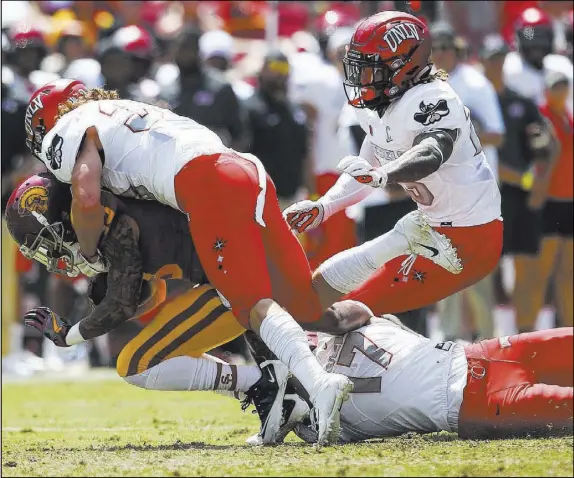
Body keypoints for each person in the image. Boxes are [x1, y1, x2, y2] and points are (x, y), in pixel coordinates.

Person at [22, 80, 355, 446]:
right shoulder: (124, 115)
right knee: (304, 303)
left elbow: (86, 195)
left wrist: (87, 253)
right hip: (247, 170)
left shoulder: (69, 130)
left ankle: (318, 384)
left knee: (248, 303)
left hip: (207, 181)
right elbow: (142, 291)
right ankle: (394, 258)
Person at [284, 11, 502, 317]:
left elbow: (431, 152)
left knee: (350, 312)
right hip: (427, 225)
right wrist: (324, 207)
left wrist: (383, 176)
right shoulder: (380, 107)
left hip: (470, 239)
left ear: (403, 66)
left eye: (370, 68)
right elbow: (364, 168)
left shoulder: (434, 98)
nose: (359, 78)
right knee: (320, 289)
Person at [287, 302, 572, 443]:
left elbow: (338, 316)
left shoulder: (341, 320)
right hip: (477, 405)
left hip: (488, 352)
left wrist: (286, 316)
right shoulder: (315, 415)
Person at [481, 34, 556, 333]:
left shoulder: (520, 102)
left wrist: (540, 183)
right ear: (483, 63)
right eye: (491, 59)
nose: (496, 65)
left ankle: (524, 333)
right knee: (487, 271)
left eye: (500, 58)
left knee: (527, 268)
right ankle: (488, 337)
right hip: (487, 196)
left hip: (521, 195)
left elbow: (546, 144)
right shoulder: (471, 101)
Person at [529, 71, 573, 328]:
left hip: (570, 201)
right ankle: (529, 332)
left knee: (568, 273)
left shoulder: (567, 116)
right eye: (555, 87)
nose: (560, 91)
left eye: (564, 86)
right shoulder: (541, 117)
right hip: (550, 202)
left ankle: (567, 331)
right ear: (546, 91)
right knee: (541, 271)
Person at [244, 51, 311, 210]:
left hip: (294, 197)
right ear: (263, 70)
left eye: (284, 67)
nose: (280, 73)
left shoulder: (294, 110)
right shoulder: (250, 108)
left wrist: (312, 193)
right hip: (260, 198)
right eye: (275, 67)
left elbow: (305, 154)